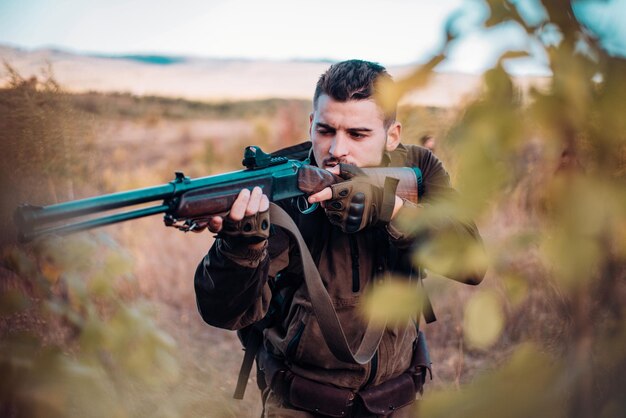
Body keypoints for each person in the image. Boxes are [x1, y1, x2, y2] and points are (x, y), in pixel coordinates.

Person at [194, 60, 485, 417]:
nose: (337, 149)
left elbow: (473, 264)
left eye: (358, 134)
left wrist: (392, 210)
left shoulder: (419, 168)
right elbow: (223, 312)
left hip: (402, 399)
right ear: (311, 124)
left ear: (391, 135)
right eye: (326, 130)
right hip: (301, 404)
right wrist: (241, 246)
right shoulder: (282, 184)